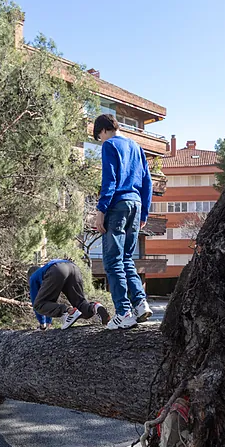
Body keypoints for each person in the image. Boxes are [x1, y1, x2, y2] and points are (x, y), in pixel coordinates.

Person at [93, 114, 154, 329]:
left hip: (118, 205)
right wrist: (144, 212)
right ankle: (140, 303)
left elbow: (109, 180)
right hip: (136, 205)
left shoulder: (109, 145)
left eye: (98, 137)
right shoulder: (137, 147)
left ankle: (123, 312)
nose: (101, 141)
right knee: (127, 257)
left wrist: (101, 210)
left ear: (102, 131)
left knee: (112, 260)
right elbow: (148, 182)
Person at [29, 258, 110, 329]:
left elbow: (36, 302)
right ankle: (95, 307)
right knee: (80, 303)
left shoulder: (33, 277)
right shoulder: (45, 269)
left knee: (38, 305)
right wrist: (48, 321)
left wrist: (43, 325)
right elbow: (49, 303)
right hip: (73, 267)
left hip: (57, 269)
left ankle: (69, 312)